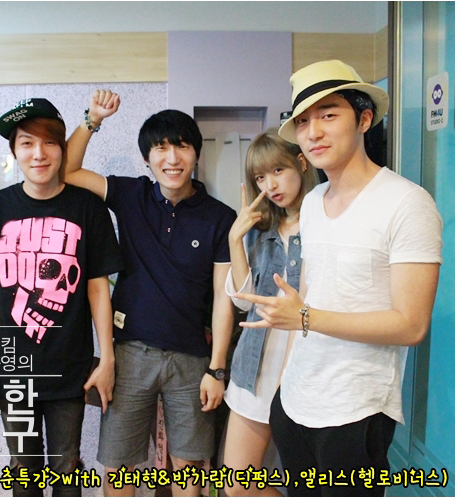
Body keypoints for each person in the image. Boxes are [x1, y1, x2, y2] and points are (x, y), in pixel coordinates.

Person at [235, 60, 443, 496]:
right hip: (295, 402)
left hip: (356, 409)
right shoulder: (312, 201)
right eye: (303, 121)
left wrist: (304, 317)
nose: (313, 132)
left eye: (328, 115)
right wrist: (284, 387)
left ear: (364, 120)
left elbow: (411, 325)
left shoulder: (407, 203)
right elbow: (310, 293)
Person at [64, 90, 236, 497]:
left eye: (182, 146)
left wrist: (217, 369)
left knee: (189, 468)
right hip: (130, 355)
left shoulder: (220, 218)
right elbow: (67, 171)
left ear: (196, 154)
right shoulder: (131, 195)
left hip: (191, 361)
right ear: (146, 157)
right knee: (118, 465)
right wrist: (92, 119)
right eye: (161, 148)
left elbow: (223, 298)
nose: (172, 158)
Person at [0, 98, 125, 497]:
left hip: (69, 367)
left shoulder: (88, 208)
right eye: (27, 143)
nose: (39, 153)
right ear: (14, 152)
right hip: (13, 369)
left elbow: (98, 288)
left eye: (49, 142)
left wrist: (107, 358)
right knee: (24, 468)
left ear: (62, 149)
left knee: (67, 466)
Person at [223, 131, 317, 496]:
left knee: (309, 486)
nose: (270, 185)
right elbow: (243, 301)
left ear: (302, 163)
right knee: (237, 484)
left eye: (278, 170)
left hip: (306, 373)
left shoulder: (325, 224)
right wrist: (235, 238)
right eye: (260, 177)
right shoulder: (260, 232)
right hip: (255, 370)